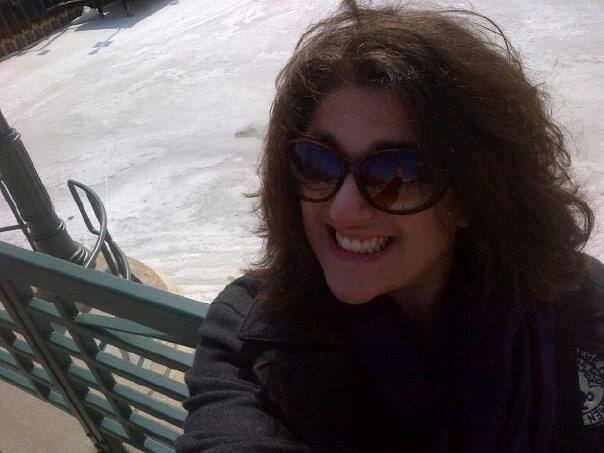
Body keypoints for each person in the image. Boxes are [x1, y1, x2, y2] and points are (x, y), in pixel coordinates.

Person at [176, 1, 603, 452]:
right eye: (318, 163)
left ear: (476, 194)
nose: (344, 210)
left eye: (398, 173)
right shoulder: (247, 330)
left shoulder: (573, 305)